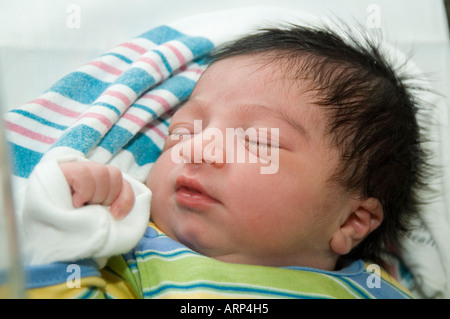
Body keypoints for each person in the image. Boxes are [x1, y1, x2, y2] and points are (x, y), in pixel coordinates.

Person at [24, 24, 427, 299]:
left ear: (350, 222)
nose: (198, 149)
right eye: (183, 131)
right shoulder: (125, 245)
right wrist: (62, 229)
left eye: (255, 140)